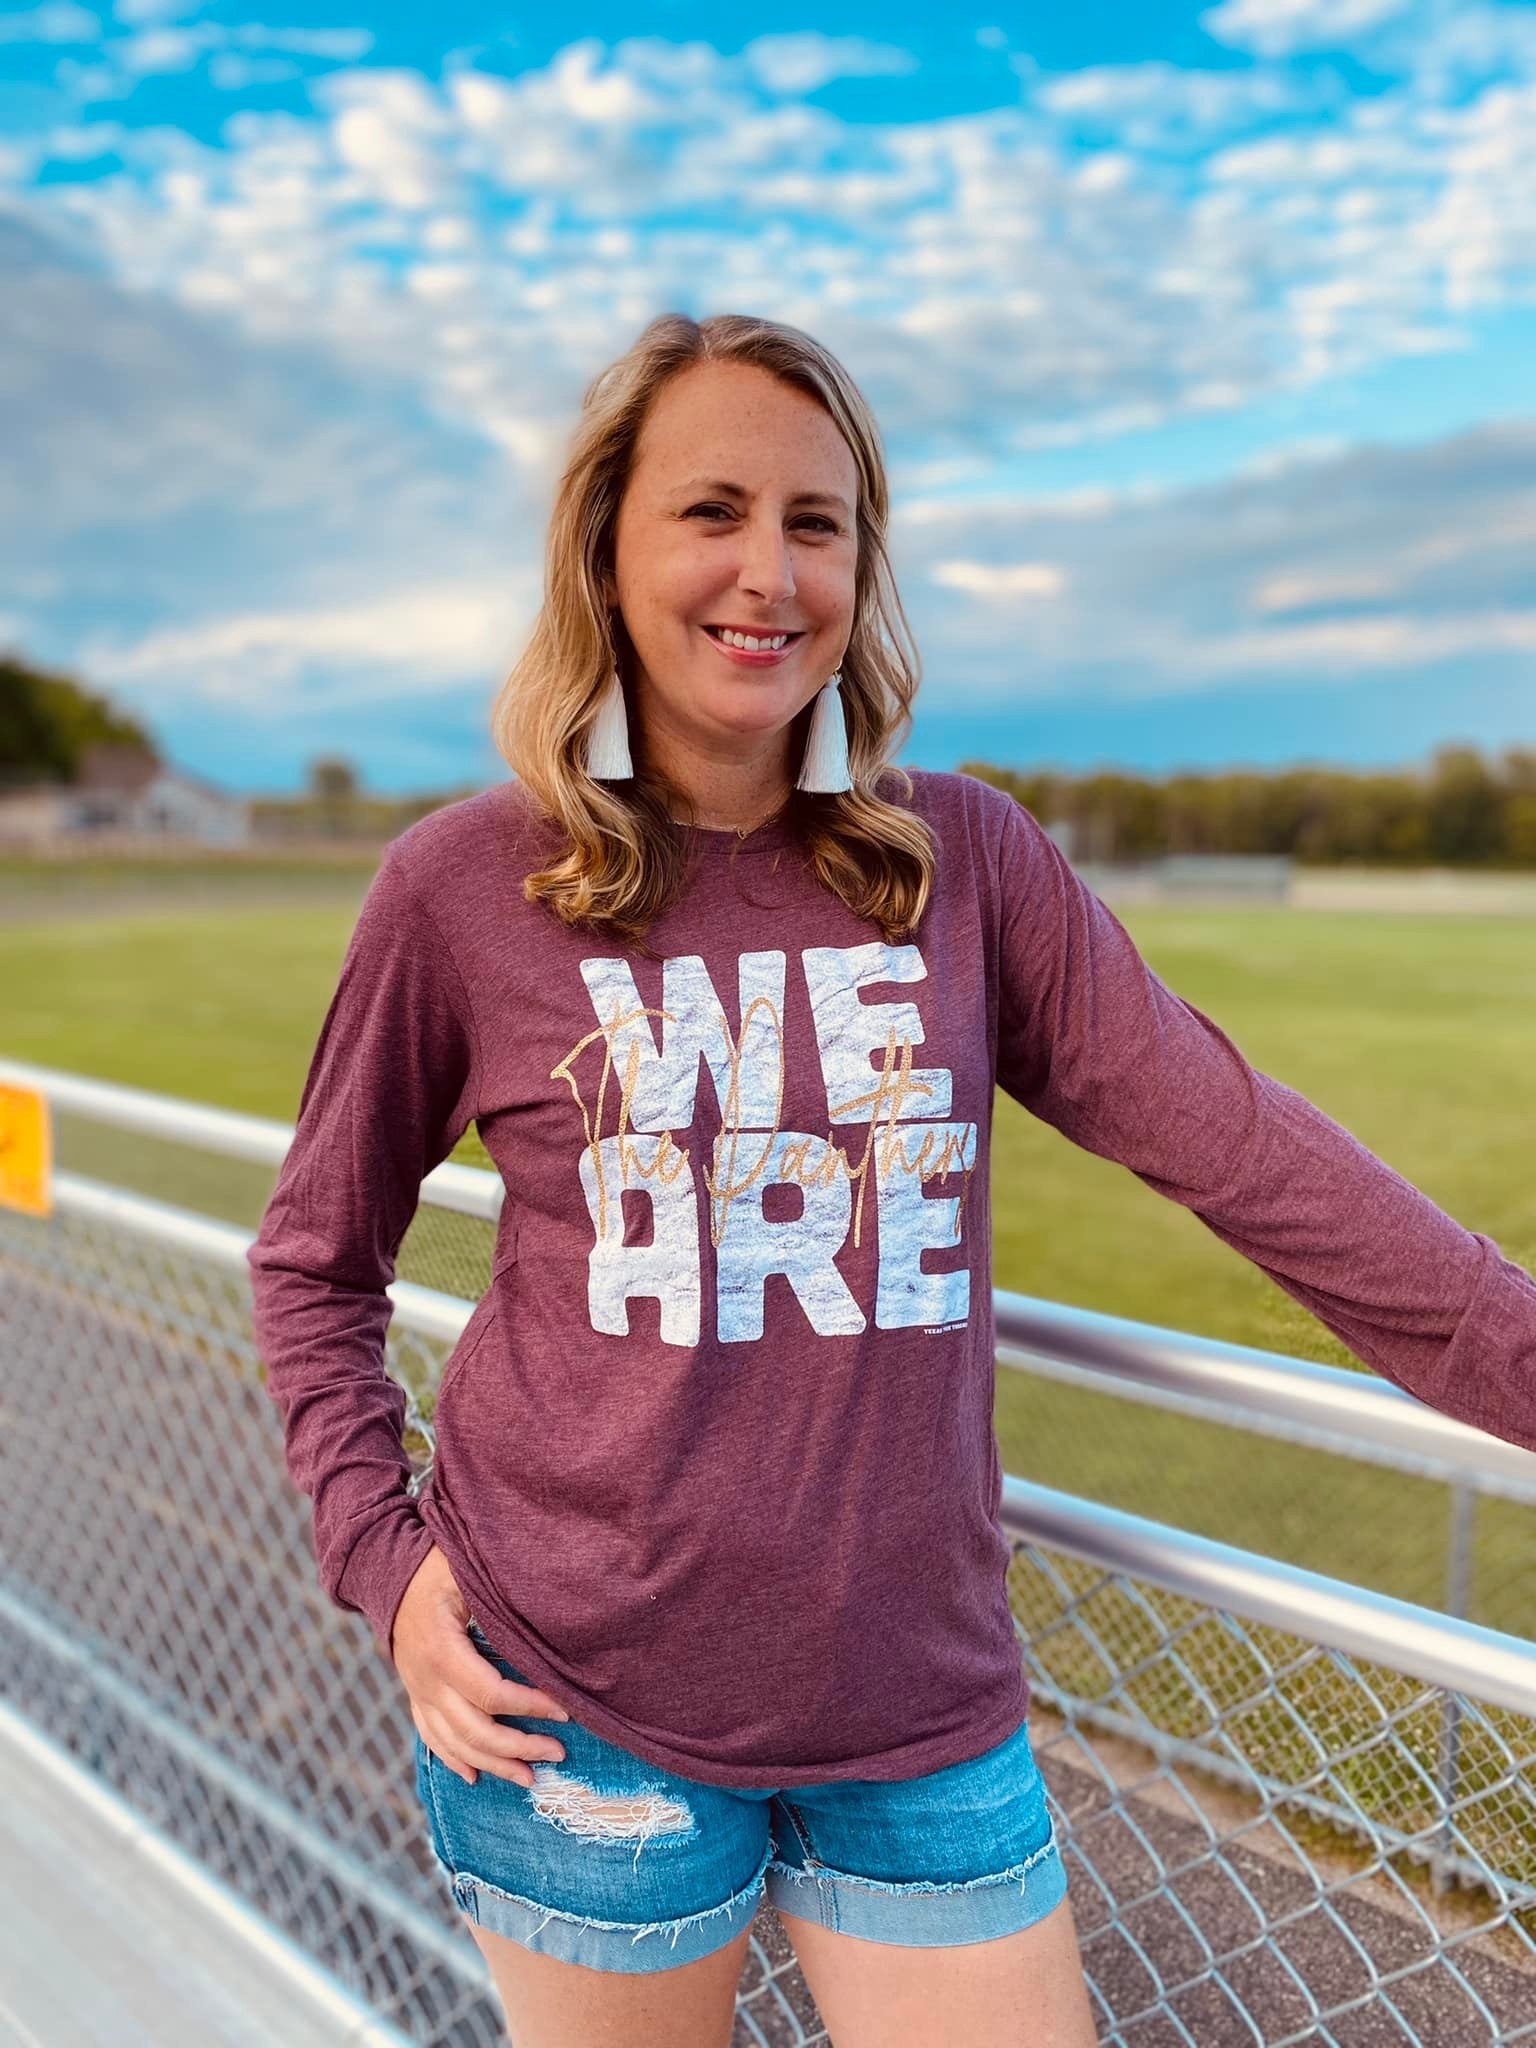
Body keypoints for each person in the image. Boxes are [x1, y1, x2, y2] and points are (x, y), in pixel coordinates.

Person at [247, 311, 1536, 2048]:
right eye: (712, 511)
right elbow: (316, 1256)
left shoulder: (963, 866)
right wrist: (383, 1560)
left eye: (817, 521)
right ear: (607, 546)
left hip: (918, 1711)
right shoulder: (468, 887)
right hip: (572, 1705)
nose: (767, 573)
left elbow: (1245, 1150)